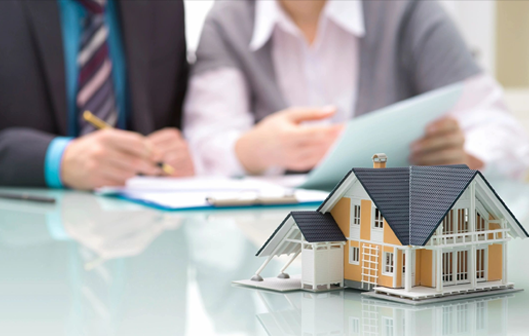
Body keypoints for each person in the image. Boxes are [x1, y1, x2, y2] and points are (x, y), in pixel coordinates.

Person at [184, 0, 529, 179]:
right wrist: (251, 151)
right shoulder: (226, 23)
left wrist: (466, 156)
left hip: (400, 236)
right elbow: (203, 142)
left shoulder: (408, 10)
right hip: (269, 242)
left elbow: (497, 128)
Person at [0, 0, 194, 190]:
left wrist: (177, 154)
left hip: (134, 213)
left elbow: (175, 120)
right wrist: (59, 159)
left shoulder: (165, 7)